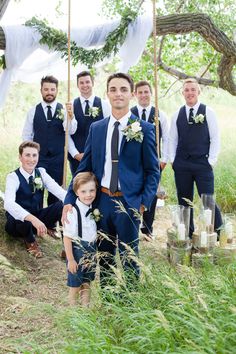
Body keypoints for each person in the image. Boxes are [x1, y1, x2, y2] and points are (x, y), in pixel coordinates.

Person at [63, 72, 160, 287]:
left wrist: (143, 202)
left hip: (130, 202)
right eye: (113, 89)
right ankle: (108, 301)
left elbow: (153, 171)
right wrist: (69, 198)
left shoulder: (145, 129)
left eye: (124, 89)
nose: (118, 94)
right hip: (102, 201)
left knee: (129, 257)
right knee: (104, 256)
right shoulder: (96, 129)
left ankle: (131, 303)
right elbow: (84, 166)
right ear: (107, 94)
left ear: (132, 94)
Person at [168, 78, 222, 237]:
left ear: (199, 91)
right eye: (187, 90)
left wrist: (211, 161)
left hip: (202, 163)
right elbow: (172, 139)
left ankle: (217, 233)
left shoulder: (208, 112)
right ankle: (187, 233)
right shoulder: (177, 114)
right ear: (182, 93)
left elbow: (215, 138)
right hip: (182, 164)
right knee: (183, 200)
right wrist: (173, 160)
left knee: (207, 200)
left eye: (193, 89)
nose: (190, 93)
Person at [4, 141, 66, 258]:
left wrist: (75, 202)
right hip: (17, 224)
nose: (31, 159)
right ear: (20, 157)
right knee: (20, 216)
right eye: (27, 155)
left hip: (37, 215)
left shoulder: (41, 172)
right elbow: (8, 204)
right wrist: (32, 219)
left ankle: (67, 247)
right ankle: (30, 241)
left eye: (34, 155)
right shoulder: (13, 177)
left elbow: (58, 191)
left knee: (63, 205)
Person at [22, 75, 77, 205]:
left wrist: (71, 116)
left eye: (52, 89)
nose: (49, 92)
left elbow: (70, 130)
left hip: (58, 158)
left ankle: (52, 222)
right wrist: (28, 156)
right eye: (46, 89)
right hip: (39, 158)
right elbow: (27, 135)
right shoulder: (33, 111)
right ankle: (37, 220)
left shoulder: (64, 110)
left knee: (56, 191)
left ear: (57, 90)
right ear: (41, 90)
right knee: (36, 190)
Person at [131, 80, 169, 241]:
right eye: (140, 92)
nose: (144, 95)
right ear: (135, 94)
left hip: (154, 160)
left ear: (151, 94)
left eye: (146, 92)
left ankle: (147, 229)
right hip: (134, 161)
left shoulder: (159, 114)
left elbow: (167, 138)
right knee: (133, 192)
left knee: (151, 194)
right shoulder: (130, 113)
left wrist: (164, 159)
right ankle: (132, 226)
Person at [63, 172, 98, 306]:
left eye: (92, 190)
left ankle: (85, 310)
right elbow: (67, 237)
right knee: (75, 285)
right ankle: (73, 313)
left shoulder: (92, 208)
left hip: (91, 250)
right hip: (77, 252)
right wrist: (71, 259)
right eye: (83, 191)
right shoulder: (73, 212)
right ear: (76, 192)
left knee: (87, 283)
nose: (88, 195)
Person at [68, 70, 111, 175]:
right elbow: (67, 133)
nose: (85, 85)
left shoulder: (104, 104)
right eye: (81, 83)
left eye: (87, 82)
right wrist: (75, 154)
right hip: (77, 158)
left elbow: (109, 131)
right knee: (79, 187)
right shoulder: (71, 105)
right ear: (77, 85)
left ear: (92, 83)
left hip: (99, 156)